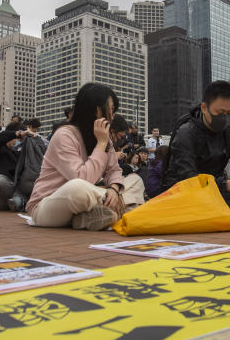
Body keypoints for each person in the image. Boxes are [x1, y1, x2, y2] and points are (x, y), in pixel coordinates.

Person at [26, 83, 145, 230]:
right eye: (111, 110)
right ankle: (121, 209)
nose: (113, 116)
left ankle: (87, 218)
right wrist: (101, 144)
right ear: (96, 110)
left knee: (135, 180)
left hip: (88, 201)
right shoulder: (64, 135)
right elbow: (82, 178)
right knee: (77, 188)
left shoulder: (104, 138)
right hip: (48, 205)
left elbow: (114, 171)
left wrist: (114, 189)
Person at [164, 80, 230, 214]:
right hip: (186, 192)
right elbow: (187, 179)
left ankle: (218, 214)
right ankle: (221, 213)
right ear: (204, 108)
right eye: (219, 112)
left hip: (216, 191)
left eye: (229, 113)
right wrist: (227, 185)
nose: (224, 118)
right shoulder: (186, 133)